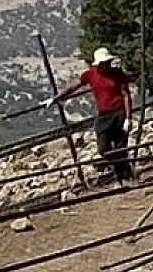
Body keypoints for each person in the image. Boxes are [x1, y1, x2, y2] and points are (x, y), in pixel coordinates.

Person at [44, 47, 134, 185]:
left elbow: (126, 95)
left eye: (107, 62)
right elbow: (73, 87)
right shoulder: (91, 74)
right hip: (104, 115)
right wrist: (56, 98)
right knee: (104, 149)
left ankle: (123, 177)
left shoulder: (117, 74)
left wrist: (128, 117)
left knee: (120, 147)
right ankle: (124, 171)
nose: (106, 65)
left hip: (119, 112)